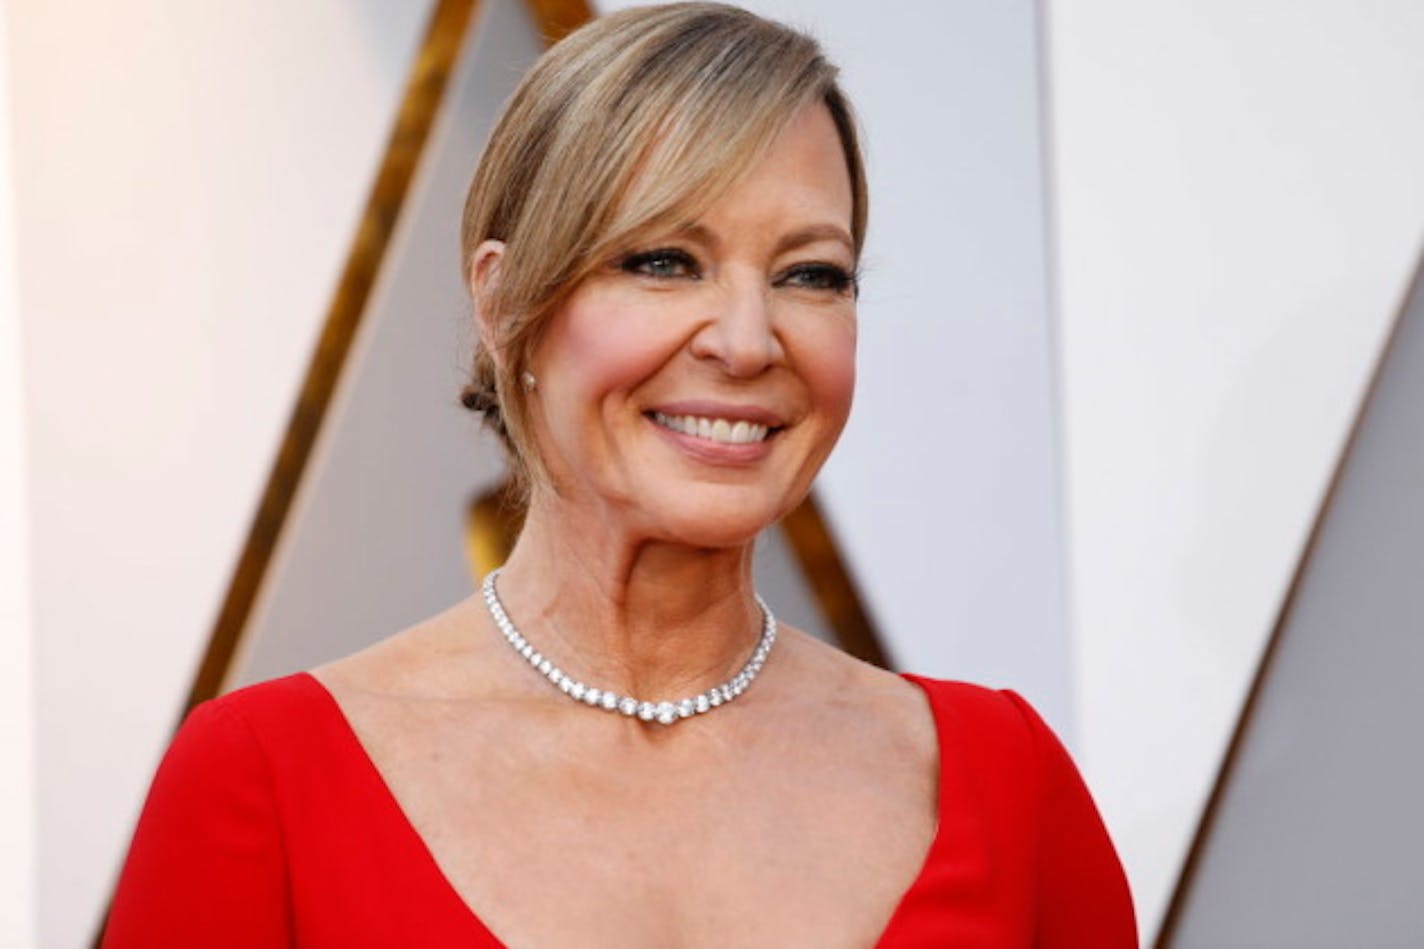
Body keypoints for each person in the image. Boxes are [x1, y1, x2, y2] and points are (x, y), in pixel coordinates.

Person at [103, 3, 1137, 946]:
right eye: (661, 260)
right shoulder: (263, 784)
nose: (744, 340)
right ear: (508, 306)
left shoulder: (1005, 784)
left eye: (808, 274)